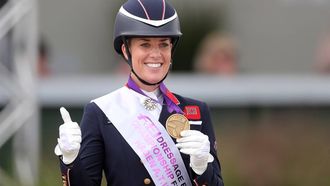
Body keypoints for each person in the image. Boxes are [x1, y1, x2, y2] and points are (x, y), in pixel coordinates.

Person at [54, 0, 224, 185]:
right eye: (145, 45)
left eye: (164, 45)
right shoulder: (101, 112)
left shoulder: (196, 111)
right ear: (126, 50)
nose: (156, 54)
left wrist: (202, 168)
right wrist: (70, 160)